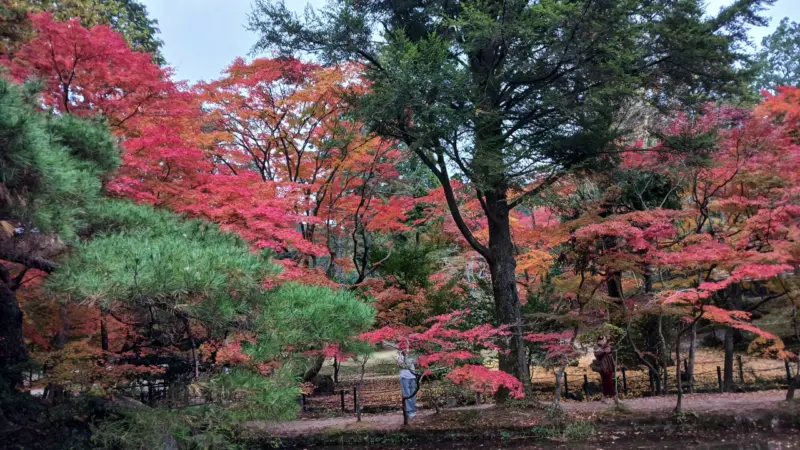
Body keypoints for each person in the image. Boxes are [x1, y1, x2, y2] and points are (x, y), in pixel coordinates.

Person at [395, 348, 417, 417]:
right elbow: (401, 364)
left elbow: (415, 362)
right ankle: (409, 411)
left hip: (413, 376)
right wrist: (404, 356)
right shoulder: (398, 356)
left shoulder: (413, 355)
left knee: (413, 394)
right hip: (404, 377)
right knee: (407, 394)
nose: (406, 350)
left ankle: (413, 410)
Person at [593, 336, 616, 403]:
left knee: (606, 382)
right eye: (601, 340)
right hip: (603, 367)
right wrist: (604, 351)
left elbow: (610, 355)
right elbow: (598, 356)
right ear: (598, 341)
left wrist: (609, 351)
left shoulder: (607, 346)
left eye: (604, 340)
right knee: (609, 382)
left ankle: (603, 398)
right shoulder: (596, 347)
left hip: (609, 366)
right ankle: (615, 397)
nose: (603, 341)